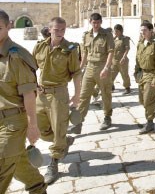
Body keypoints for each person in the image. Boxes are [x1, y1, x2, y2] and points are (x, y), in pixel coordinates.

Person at [0, 10, 47, 194]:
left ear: (9, 26)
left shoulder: (17, 56)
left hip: (13, 123)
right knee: (18, 162)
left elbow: (29, 94)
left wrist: (33, 125)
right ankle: (38, 189)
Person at [32, 17, 81, 185]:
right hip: (41, 94)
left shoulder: (70, 49)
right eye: (56, 29)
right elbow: (31, 68)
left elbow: (76, 72)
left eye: (63, 30)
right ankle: (64, 141)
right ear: (49, 29)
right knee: (41, 129)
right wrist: (33, 86)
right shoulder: (40, 47)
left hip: (59, 95)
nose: (60, 33)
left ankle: (53, 164)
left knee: (59, 128)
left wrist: (77, 95)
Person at [68, 13, 114, 134]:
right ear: (90, 22)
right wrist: (79, 69)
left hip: (102, 67)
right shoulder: (86, 36)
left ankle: (107, 117)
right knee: (83, 96)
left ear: (101, 22)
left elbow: (110, 52)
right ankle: (79, 123)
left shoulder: (107, 35)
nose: (96, 25)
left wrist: (106, 68)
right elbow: (84, 54)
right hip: (89, 68)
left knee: (105, 94)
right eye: (94, 22)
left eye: (98, 22)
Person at [134, 22, 155, 134]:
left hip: (151, 75)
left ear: (151, 31)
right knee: (142, 100)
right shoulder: (140, 44)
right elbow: (137, 60)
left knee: (147, 100)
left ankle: (150, 124)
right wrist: (136, 73)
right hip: (142, 74)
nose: (143, 32)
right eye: (141, 30)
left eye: (145, 30)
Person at [111, 24, 131, 95]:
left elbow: (127, 49)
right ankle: (111, 86)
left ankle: (127, 87)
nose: (115, 32)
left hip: (122, 60)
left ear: (121, 31)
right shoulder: (114, 39)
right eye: (114, 31)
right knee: (111, 74)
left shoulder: (125, 39)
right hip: (114, 60)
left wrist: (124, 57)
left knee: (124, 74)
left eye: (117, 31)